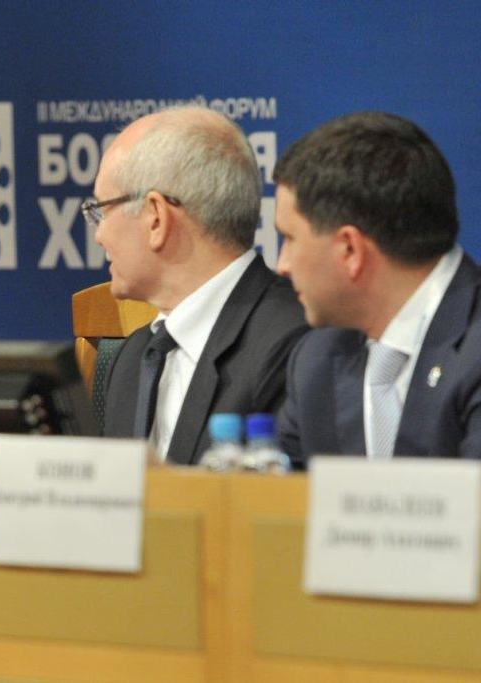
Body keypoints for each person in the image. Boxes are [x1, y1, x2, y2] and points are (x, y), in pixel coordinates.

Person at [93, 107, 307, 464]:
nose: (99, 234)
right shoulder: (131, 359)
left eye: (102, 210)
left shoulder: (293, 345)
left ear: (156, 218)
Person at [274, 111, 480, 466]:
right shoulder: (315, 362)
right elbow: (279, 493)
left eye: (290, 239)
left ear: (350, 249)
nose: (282, 265)